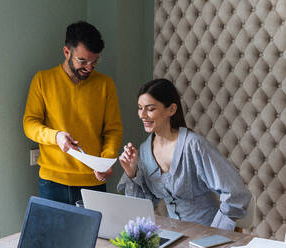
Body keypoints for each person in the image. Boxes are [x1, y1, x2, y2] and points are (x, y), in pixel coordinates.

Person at [117, 78, 251, 231]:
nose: (143, 115)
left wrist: (215, 233)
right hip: (175, 235)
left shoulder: (193, 146)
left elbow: (236, 194)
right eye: (140, 108)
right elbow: (141, 210)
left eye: (150, 108)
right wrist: (132, 172)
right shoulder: (145, 151)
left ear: (171, 109)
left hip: (207, 235)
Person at [23, 21, 123, 205]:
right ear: (66, 52)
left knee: (96, 235)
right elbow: (29, 124)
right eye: (82, 61)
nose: (89, 67)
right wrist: (56, 136)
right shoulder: (42, 80)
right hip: (51, 182)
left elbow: (113, 129)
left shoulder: (105, 84)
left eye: (94, 62)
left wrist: (106, 160)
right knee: (53, 235)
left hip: (93, 181)